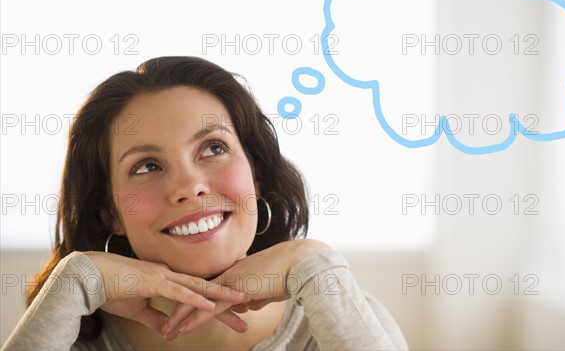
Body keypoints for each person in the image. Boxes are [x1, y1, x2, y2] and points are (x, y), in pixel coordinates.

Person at [2, 56, 408, 350]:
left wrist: (313, 261)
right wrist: (75, 279)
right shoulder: (69, 336)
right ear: (110, 213)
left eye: (213, 147)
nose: (189, 186)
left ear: (257, 174)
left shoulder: (341, 314)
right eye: (146, 166)